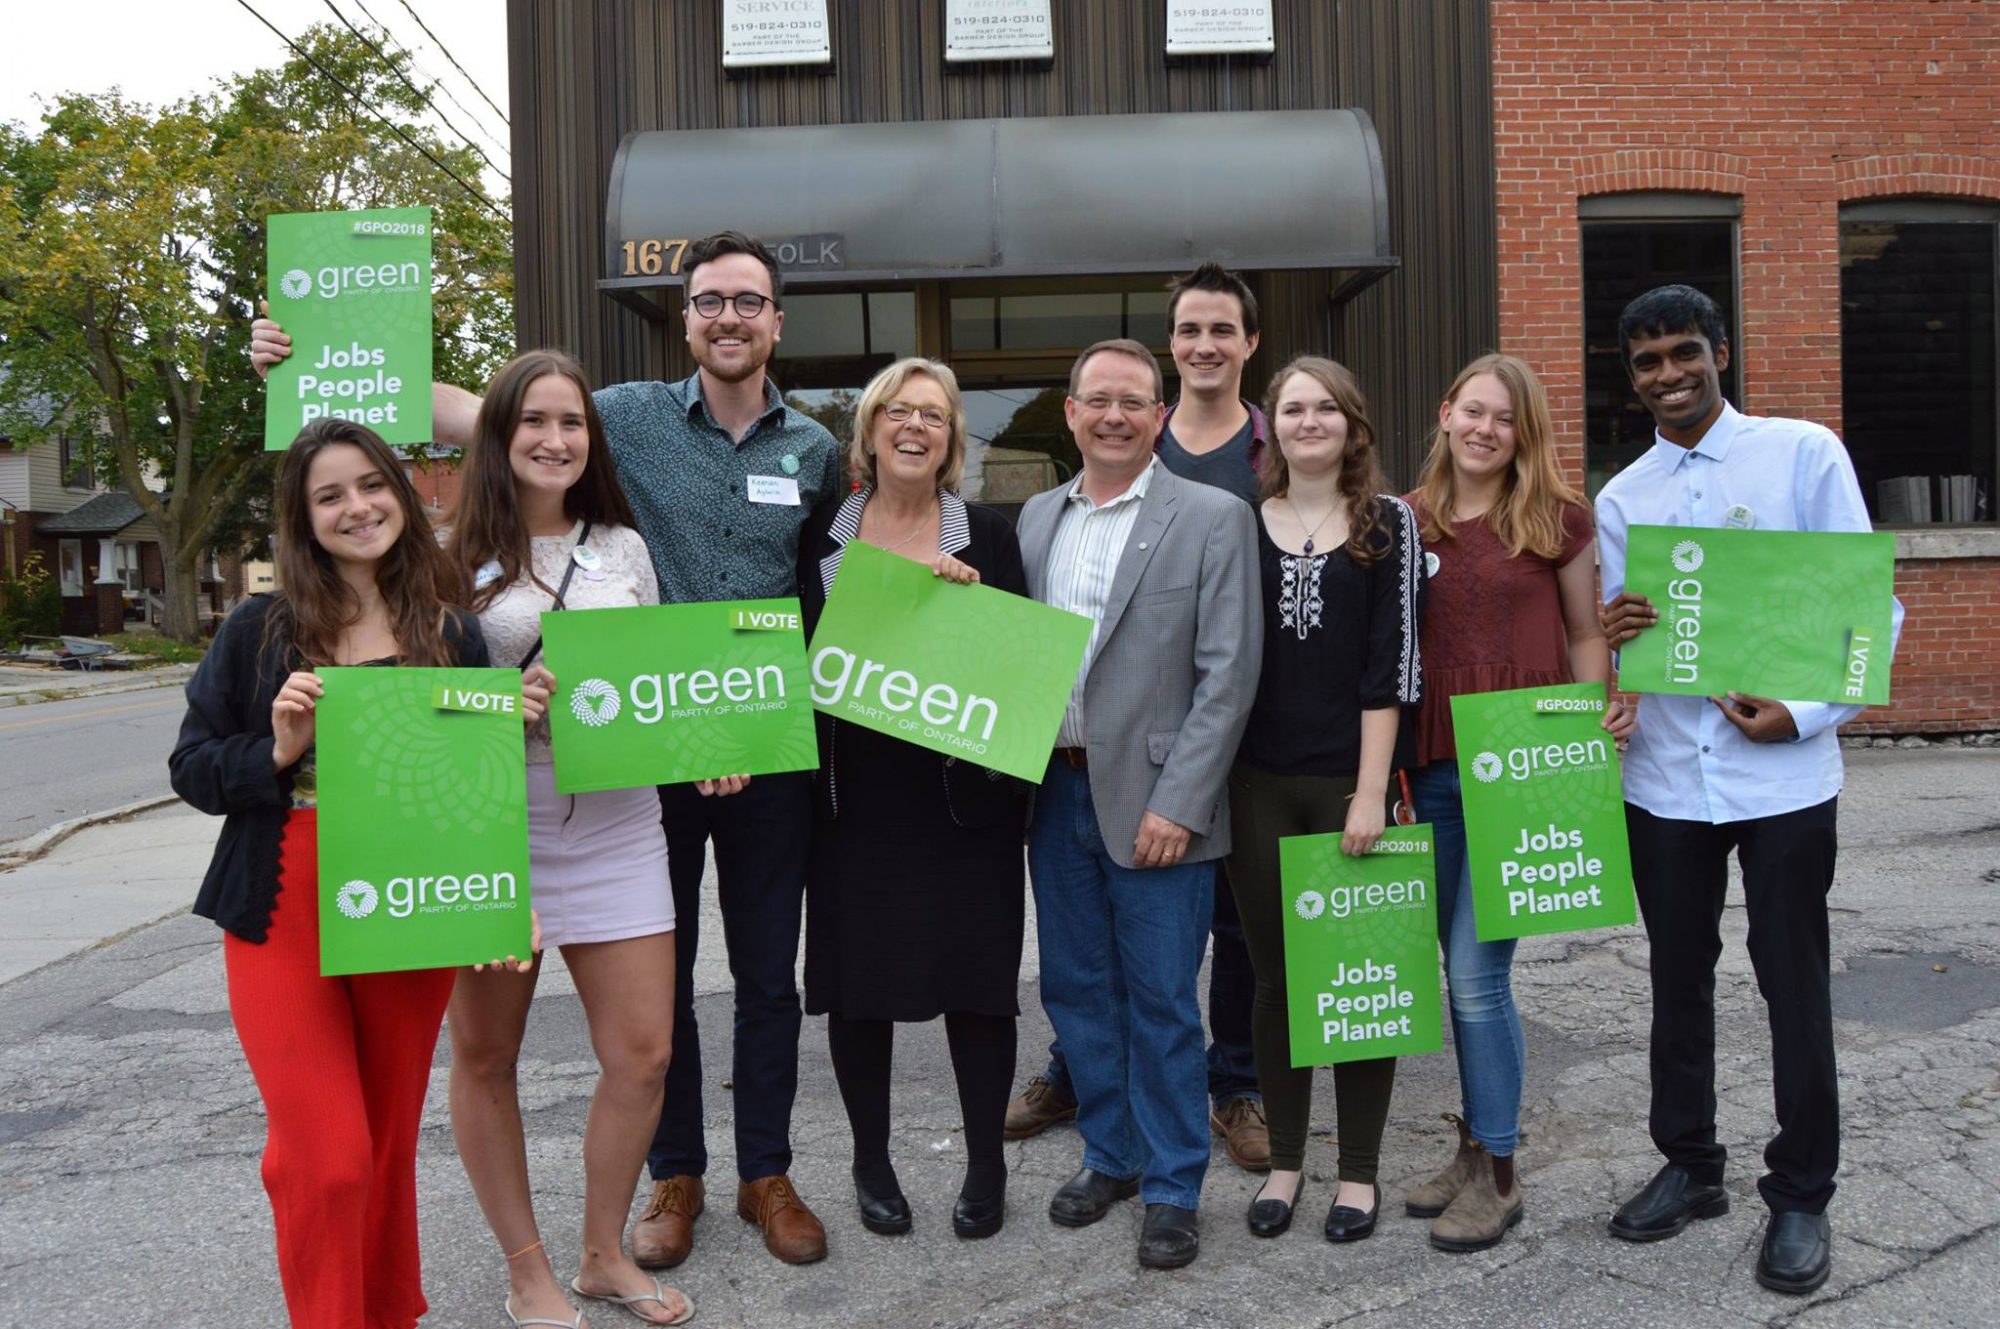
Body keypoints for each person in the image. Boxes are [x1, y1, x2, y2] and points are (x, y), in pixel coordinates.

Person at [254, 230, 845, 1267]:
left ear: (775, 321)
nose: (728, 318)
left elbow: (828, 580)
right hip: (613, 763)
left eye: (748, 302)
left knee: (763, 974)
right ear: (686, 316)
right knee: (655, 997)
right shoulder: (615, 417)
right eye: (710, 301)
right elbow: (481, 416)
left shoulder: (814, 450)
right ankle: (676, 1177)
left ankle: (767, 1172)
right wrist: (305, 360)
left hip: (745, 739)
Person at [1596, 284, 1902, 1296]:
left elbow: (1872, 614)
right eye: (1646, 362)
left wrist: (1805, 711)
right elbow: (1616, 646)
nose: (1668, 375)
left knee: (1791, 987)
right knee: (1675, 985)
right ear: (1629, 376)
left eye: (1684, 353)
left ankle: (1802, 1194)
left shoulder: (1800, 454)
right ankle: (1688, 1164)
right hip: (1667, 784)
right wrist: (1617, 635)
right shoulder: (1621, 497)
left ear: (1719, 350)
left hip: (1781, 777)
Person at [168, 419, 505, 1329]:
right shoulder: (257, 629)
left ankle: (387, 1313)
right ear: (303, 517)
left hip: (408, 911)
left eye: (372, 484)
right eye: (330, 495)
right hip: (280, 903)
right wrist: (273, 752)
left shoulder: (453, 636)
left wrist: (502, 905)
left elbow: (469, 798)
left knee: (387, 1145)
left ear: (399, 491)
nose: (357, 507)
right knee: (329, 1156)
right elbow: (192, 768)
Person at [441, 351, 694, 1327]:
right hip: (492, 823)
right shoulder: (444, 553)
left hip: (622, 822)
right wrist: (496, 702)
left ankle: (601, 1254)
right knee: (485, 1055)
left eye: (571, 423)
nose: (554, 439)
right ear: (498, 437)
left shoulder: (624, 548)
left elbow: (656, 684)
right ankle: (526, 1270)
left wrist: (699, 745)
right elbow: (415, 704)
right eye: (533, 421)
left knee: (643, 1054)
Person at [1008, 262, 1268, 1172]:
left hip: (1161, 803)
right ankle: (1109, 1158)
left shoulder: (1213, 516)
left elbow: (1228, 675)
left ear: (1159, 418)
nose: (1115, 415)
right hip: (1056, 795)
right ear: (1071, 413)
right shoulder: (1035, 520)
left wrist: (1183, 800)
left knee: (1162, 999)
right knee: (1078, 992)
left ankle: (1172, 1181)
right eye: (1097, 400)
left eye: (1134, 402)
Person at [1401, 353, 1632, 1252]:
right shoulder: (1406, 521)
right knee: (1452, 973)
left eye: (1506, 419)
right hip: (1431, 769)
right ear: (1447, 411)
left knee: (1476, 975)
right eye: (1474, 412)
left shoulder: (1556, 520)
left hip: (1524, 767)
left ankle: (1499, 1175)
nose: (1486, 430)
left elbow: (1584, 631)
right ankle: (1470, 1146)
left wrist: (1601, 715)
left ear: (1523, 432)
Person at [798, 358, 1032, 1241]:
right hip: (852, 800)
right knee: (861, 988)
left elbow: (1017, 669)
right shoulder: (823, 534)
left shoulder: (991, 539)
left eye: (933, 415)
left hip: (962, 800)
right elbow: (799, 664)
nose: (914, 425)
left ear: (951, 441)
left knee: (979, 986)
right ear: (869, 429)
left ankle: (984, 1163)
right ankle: (872, 1160)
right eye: (897, 409)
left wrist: (974, 615)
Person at [1225, 356, 1424, 1243]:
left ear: (1353, 422)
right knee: (1274, 982)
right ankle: (1287, 1160)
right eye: (1293, 408)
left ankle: (1359, 1173)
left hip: (1350, 783)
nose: (1309, 421)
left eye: (1326, 408)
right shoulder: (1237, 523)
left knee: (1360, 983)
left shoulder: (1389, 525)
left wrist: (1371, 793)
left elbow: (1393, 669)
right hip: (1256, 784)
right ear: (1272, 426)